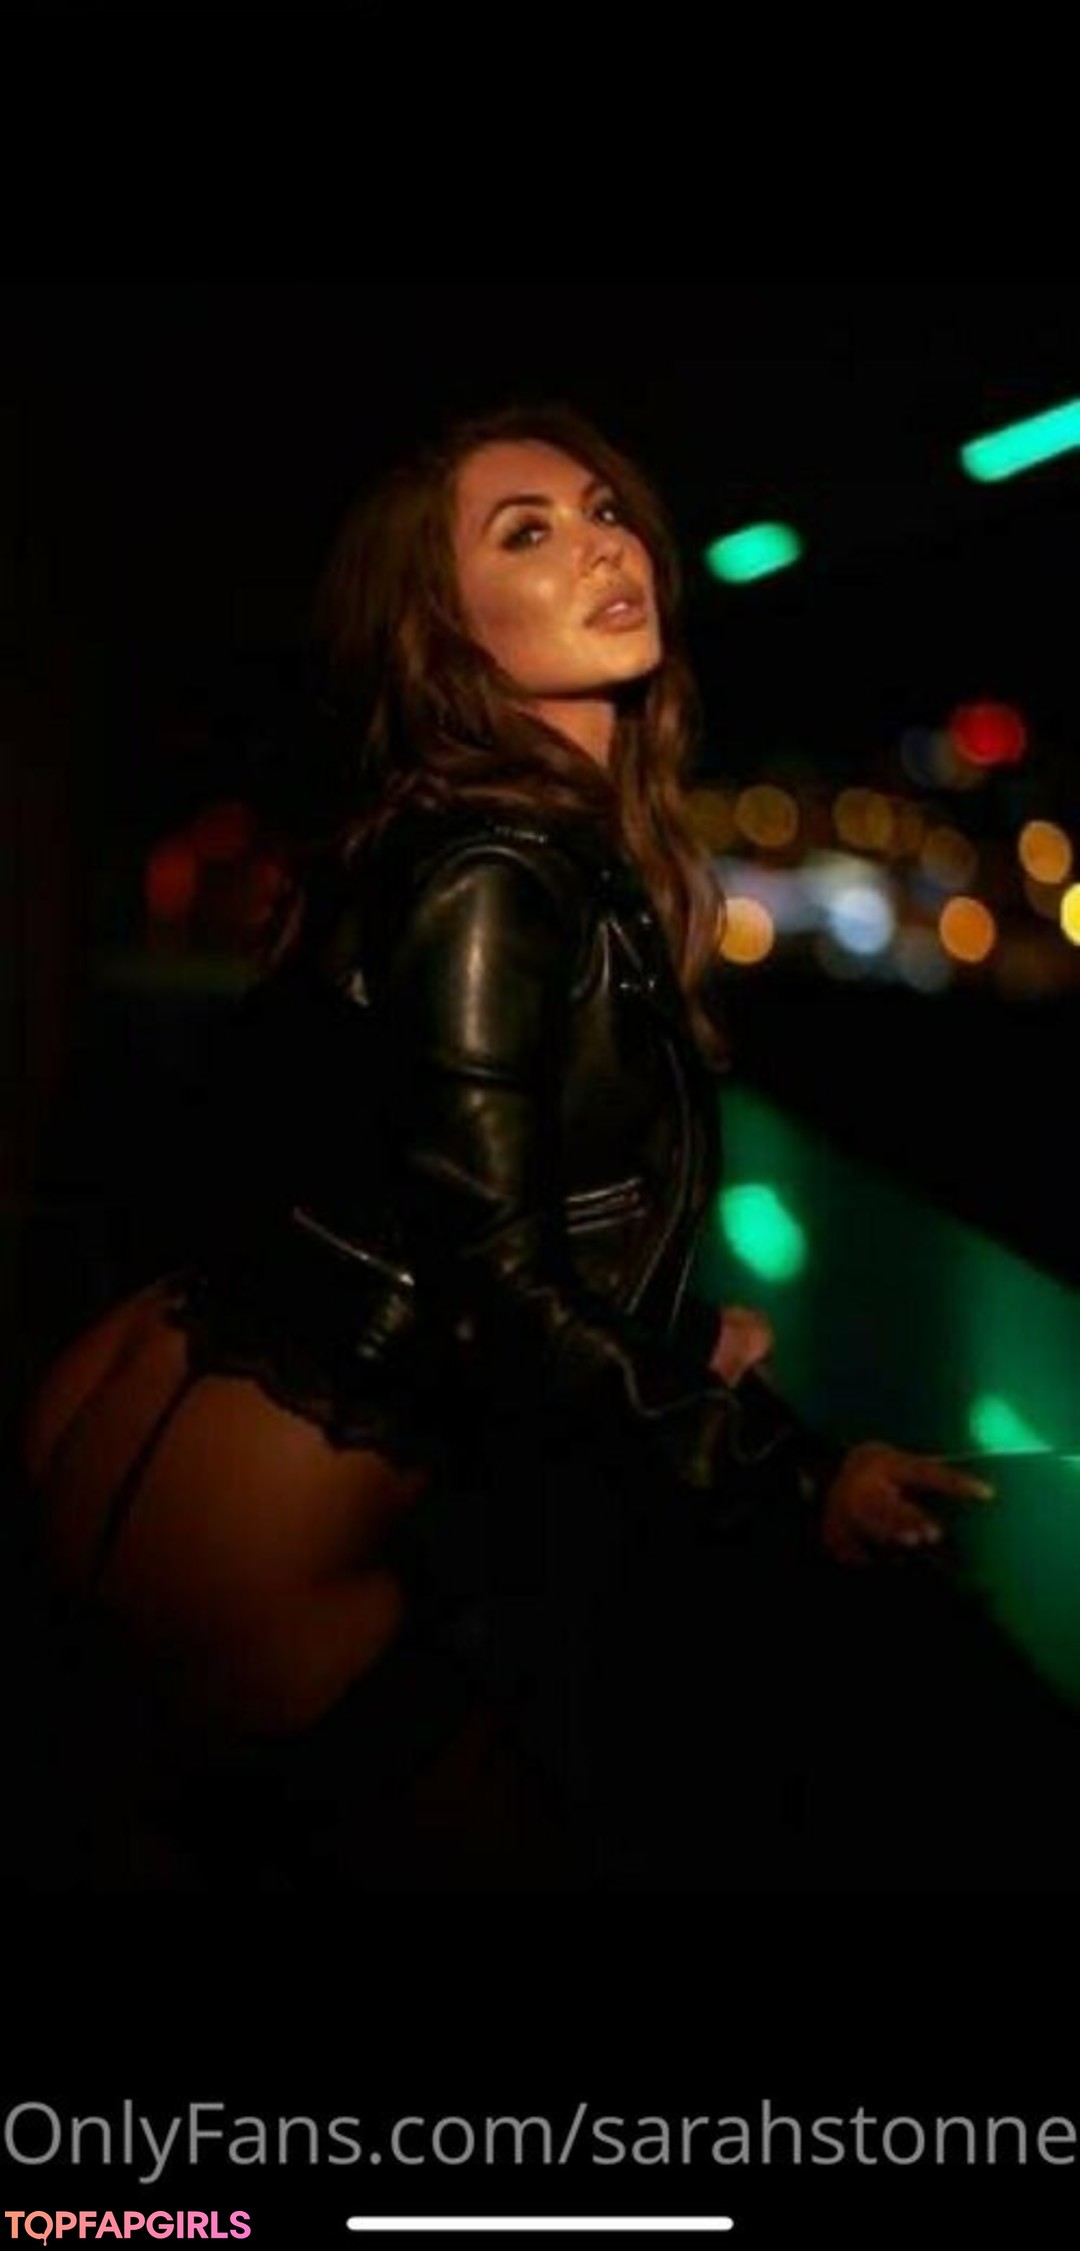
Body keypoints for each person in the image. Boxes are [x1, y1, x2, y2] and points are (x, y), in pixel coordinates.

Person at [13, 400, 1074, 1892]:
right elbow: (496, 1281)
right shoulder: (494, 873)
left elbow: (420, 1188)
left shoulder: (471, 841)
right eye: (528, 533)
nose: (599, 547)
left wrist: (664, 1331)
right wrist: (793, 1473)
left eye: (604, 513)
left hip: (150, 1421)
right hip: (234, 1537)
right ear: (444, 632)